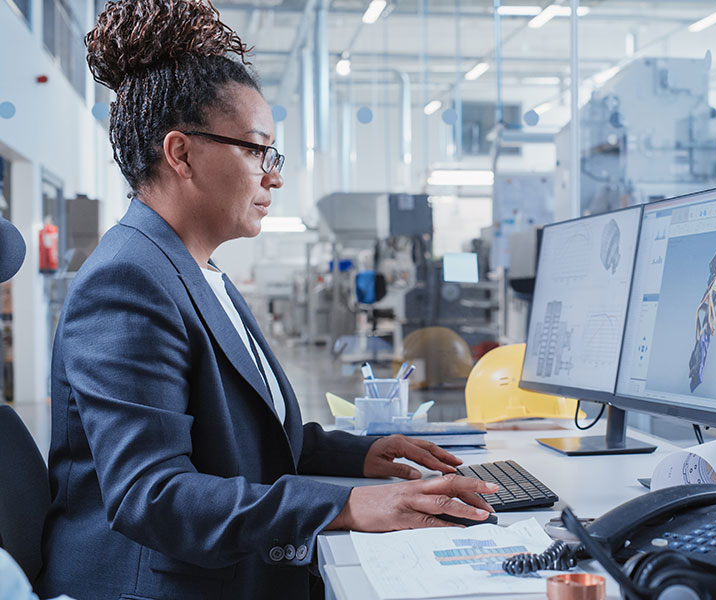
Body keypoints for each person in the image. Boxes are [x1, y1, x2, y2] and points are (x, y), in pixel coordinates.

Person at [36, 2, 496, 599]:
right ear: (181, 155)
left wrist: (363, 457)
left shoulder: (200, 272)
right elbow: (151, 494)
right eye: (257, 150)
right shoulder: (128, 280)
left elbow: (248, 442)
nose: (273, 176)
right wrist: (351, 505)